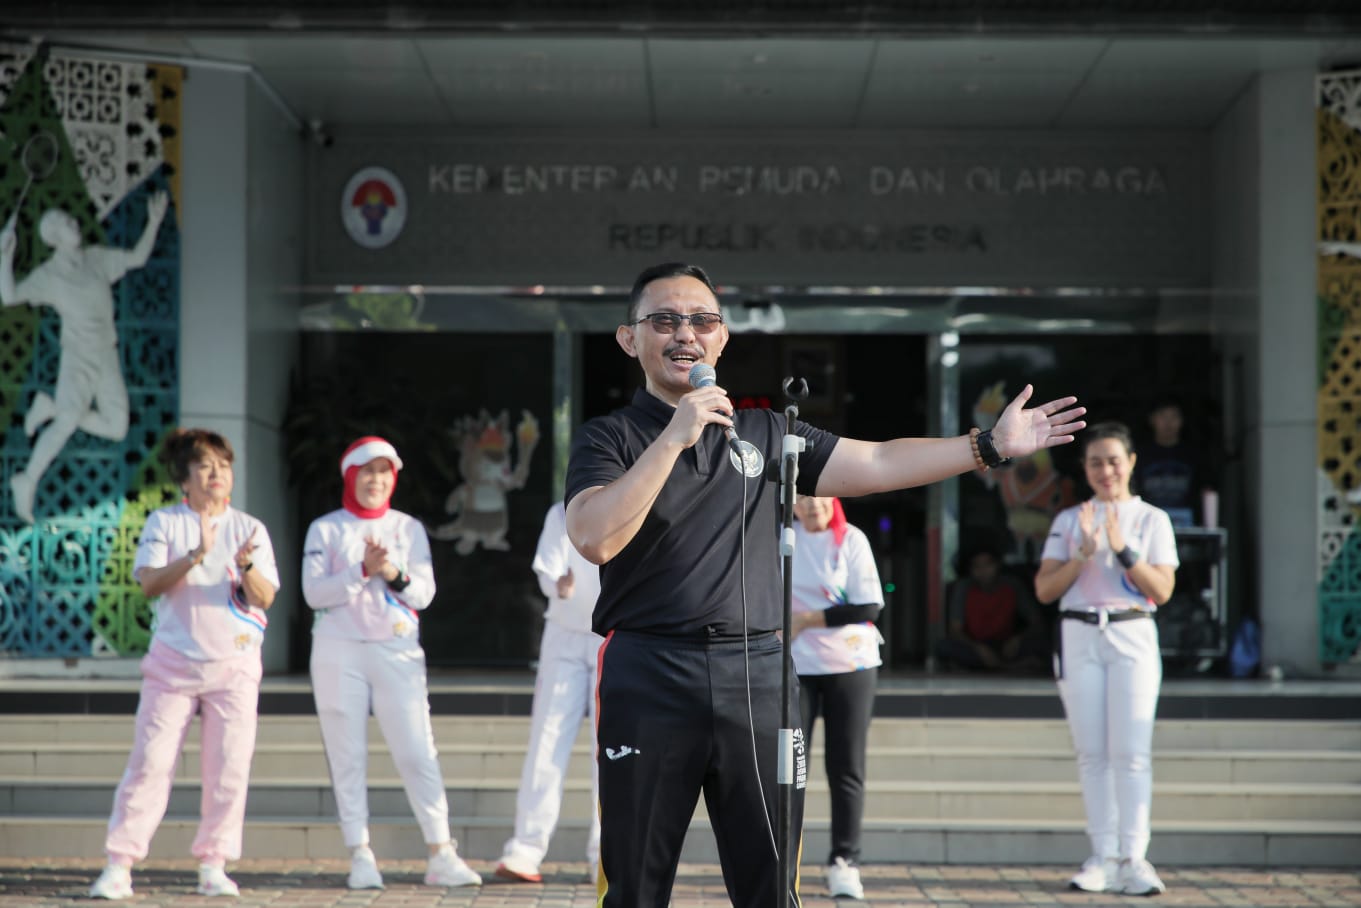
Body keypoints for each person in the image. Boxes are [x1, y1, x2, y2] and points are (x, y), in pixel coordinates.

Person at [565, 261, 1085, 907]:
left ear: (722, 339)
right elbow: (594, 536)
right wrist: (674, 437)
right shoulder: (609, 438)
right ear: (628, 338)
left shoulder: (765, 434)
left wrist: (986, 446)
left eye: (701, 320)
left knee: (771, 883)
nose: (684, 334)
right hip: (649, 673)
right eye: (664, 320)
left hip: (756, 675)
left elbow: (878, 460)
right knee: (634, 883)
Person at [88, 428, 279, 900]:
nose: (216, 474)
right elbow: (150, 584)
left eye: (223, 465)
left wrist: (246, 567)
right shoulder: (164, 523)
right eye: (205, 466)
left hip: (234, 666)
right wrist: (197, 554)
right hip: (173, 666)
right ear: (185, 479)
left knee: (229, 768)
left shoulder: (250, 528)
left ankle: (214, 864)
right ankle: (120, 863)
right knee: (150, 763)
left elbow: (266, 597)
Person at [301, 436, 481, 891]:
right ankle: (360, 854)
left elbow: (423, 592)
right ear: (349, 477)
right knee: (347, 755)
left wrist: (390, 572)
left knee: (418, 751)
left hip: (396, 650)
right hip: (338, 650)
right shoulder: (325, 529)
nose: (375, 480)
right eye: (366, 472)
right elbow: (313, 593)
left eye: (383, 472)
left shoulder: (408, 528)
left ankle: (441, 852)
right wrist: (360, 570)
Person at [1034, 422, 1178, 897]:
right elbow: (1045, 589)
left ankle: (1133, 858)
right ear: (1085, 468)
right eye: (1095, 462)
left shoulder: (1152, 519)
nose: (1106, 470)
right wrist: (1084, 554)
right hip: (1079, 633)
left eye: (1114, 460)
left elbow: (1162, 590)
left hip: (1132, 632)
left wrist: (1123, 549)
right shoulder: (1069, 520)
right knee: (1092, 753)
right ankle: (1101, 855)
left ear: (1132, 462)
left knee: (1131, 753)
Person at [0, 193, 169, 523]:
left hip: (106, 353)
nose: (73, 223)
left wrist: (154, 221)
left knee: (117, 426)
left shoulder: (95, 259)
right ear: (54, 237)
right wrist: (4, 257)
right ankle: (28, 479)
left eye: (71, 219)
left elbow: (136, 257)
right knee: (65, 422)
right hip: (78, 356)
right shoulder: (50, 275)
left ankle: (50, 406)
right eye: (65, 222)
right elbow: (9, 296)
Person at [496, 501, 604, 884]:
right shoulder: (561, 512)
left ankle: (605, 855)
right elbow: (549, 568)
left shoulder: (630, 501)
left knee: (607, 749)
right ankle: (526, 848)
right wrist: (557, 585)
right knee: (546, 741)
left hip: (613, 636)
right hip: (564, 637)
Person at [788, 495, 884, 901]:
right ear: (791, 501)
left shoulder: (852, 540)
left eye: (821, 496)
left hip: (851, 664)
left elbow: (868, 606)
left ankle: (845, 861)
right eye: (804, 497)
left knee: (846, 766)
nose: (813, 505)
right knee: (790, 767)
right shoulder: (781, 539)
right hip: (794, 665)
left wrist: (807, 619)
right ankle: (783, 858)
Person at [936, 540, 1047, 673]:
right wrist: (979, 648)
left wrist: (1017, 639)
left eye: (988, 565)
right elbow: (955, 630)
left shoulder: (1012, 586)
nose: (983, 571)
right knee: (944, 647)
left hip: (1006, 645)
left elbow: (1037, 622)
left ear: (998, 565)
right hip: (975, 646)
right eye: (977, 566)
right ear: (971, 570)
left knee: (1043, 643)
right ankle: (1009, 667)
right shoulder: (964, 588)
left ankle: (994, 666)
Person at [1132, 397, 1205, 529]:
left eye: (1174, 417)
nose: (1168, 423)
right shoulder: (1139, 456)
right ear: (1152, 419)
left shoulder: (1193, 455)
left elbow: (1205, 490)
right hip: (1147, 523)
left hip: (1188, 525)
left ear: (1182, 420)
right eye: (1163, 416)